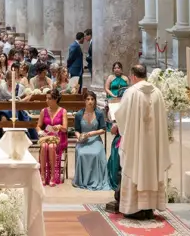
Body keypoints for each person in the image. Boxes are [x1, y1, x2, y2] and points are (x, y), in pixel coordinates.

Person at [108, 64, 171, 220]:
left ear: (133, 76)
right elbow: (162, 120)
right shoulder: (157, 93)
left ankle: (135, 208)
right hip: (153, 144)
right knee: (151, 169)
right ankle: (149, 207)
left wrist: (116, 123)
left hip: (136, 144)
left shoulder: (131, 93)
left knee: (135, 168)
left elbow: (121, 116)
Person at [73, 91, 111, 191]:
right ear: (84, 101)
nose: (90, 101)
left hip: (95, 139)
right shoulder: (79, 114)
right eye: (88, 99)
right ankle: (82, 180)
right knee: (81, 153)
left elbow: (103, 129)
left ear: (95, 101)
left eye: (92, 99)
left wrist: (91, 133)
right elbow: (76, 130)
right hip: (83, 139)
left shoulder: (99, 113)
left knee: (96, 153)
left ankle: (96, 179)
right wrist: (79, 137)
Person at [37, 88, 67, 187]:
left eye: (49, 98)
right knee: (45, 146)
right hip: (46, 136)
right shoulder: (43, 111)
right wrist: (40, 131)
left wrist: (59, 126)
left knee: (51, 147)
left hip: (58, 137)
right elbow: (38, 125)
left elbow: (65, 129)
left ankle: (53, 176)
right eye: (46, 98)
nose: (47, 100)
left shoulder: (63, 111)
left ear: (55, 99)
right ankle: (42, 175)